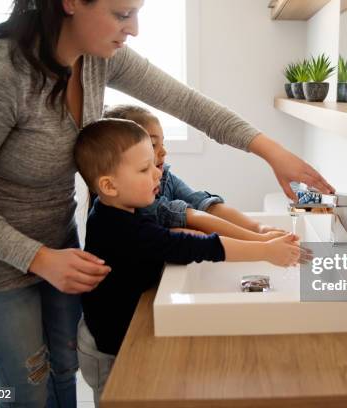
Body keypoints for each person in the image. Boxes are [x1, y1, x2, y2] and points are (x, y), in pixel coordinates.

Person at [0, 0, 334, 406]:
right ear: (71, 3)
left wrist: (272, 152)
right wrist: (38, 258)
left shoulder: (96, 59)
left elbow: (190, 104)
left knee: (63, 370)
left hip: (59, 246)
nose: (135, 29)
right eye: (122, 14)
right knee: (27, 390)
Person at [73, 118, 303, 405]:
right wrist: (265, 252)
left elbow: (179, 232)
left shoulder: (115, 211)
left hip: (114, 332)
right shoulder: (124, 228)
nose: (158, 174)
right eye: (145, 169)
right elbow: (192, 246)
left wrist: (260, 241)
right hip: (106, 349)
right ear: (109, 185)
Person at [103, 104, 287, 239]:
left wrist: (259, 228)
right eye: (152, 145)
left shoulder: (165, 177)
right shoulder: (134, 198)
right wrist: (259, 242)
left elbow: (205, 205)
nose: (164, 151)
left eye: (163, 142)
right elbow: (194, 220)